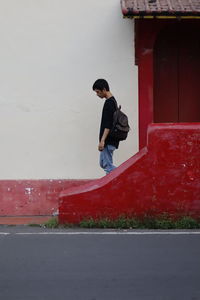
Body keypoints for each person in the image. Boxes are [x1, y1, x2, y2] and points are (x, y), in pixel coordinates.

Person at [93, 79, 119, 175]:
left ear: (104, 89)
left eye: (98, 92)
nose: (97, 94)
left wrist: (102, 140)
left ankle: (121, 175)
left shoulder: (109, 103)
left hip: (108, 140)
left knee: (108, 166)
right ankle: (119, 174)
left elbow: (108, 124)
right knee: (103, 163)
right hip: (110, 139)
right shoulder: (113, 101)